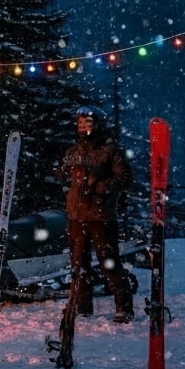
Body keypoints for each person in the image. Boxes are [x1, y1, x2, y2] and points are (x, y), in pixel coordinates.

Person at [59, 106, 135, 323]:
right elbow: (63, 174)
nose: (83, 127)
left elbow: (125, 178)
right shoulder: (74, 151)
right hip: (76, 216)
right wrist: (63, 175)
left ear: (97, 124)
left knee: (109, 263)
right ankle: (82, 306)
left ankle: (124, 307)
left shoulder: (109, 151)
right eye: (80, 123)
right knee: (78, 265)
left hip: (101, 217)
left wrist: (101, 187)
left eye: (87, 123)